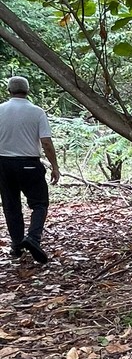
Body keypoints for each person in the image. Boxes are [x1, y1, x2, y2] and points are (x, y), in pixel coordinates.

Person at [0, 76, 60, 263]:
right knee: (39, 204)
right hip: (29, 163)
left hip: (3, 164)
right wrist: (55, 167)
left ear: (9, 90)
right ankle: (33, 238)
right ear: (28, 90)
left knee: (11, 206)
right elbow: (46, 142)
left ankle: (17, 245)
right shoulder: (37, 112)